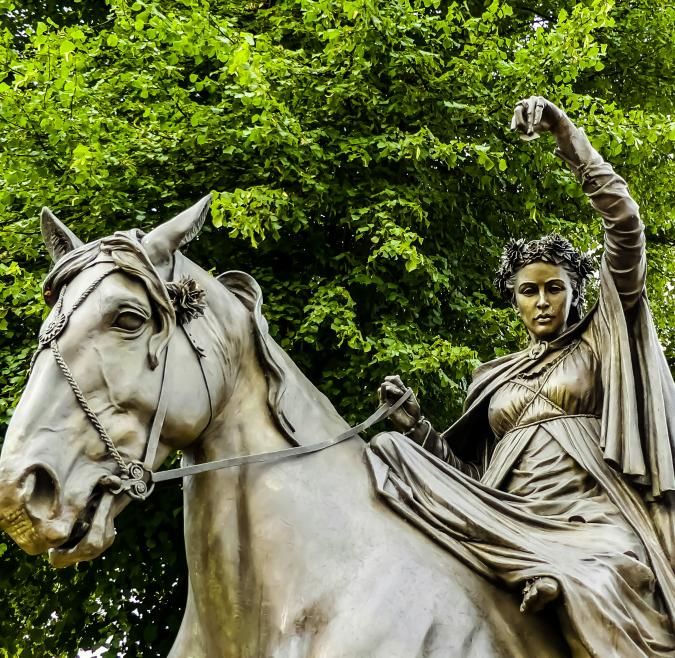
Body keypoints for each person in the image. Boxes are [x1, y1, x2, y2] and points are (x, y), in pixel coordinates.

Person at [367, 96, 675, 658]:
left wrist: (565, 134)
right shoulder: (494, 377)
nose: (541, 301)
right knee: (388, 449)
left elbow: (625, 224)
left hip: (590, 516)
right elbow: (475, 475)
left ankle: (560, 575)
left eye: (553, 287)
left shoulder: (602, 335)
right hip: (504, 511)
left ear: (574, 291)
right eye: (528, 290)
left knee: (602, 575)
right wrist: (420, 429)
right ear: (513, 299)